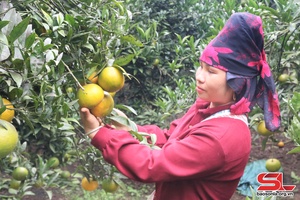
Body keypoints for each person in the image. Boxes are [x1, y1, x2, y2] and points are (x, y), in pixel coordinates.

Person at [79, 12, 281, 200]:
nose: (199, 77)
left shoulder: (222, 137)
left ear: (237, 82)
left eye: (211, 71)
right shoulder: (207, 106)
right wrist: (131, 130)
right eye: (200, 66)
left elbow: (153, 165)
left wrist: (99, 134)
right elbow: (170, 138)